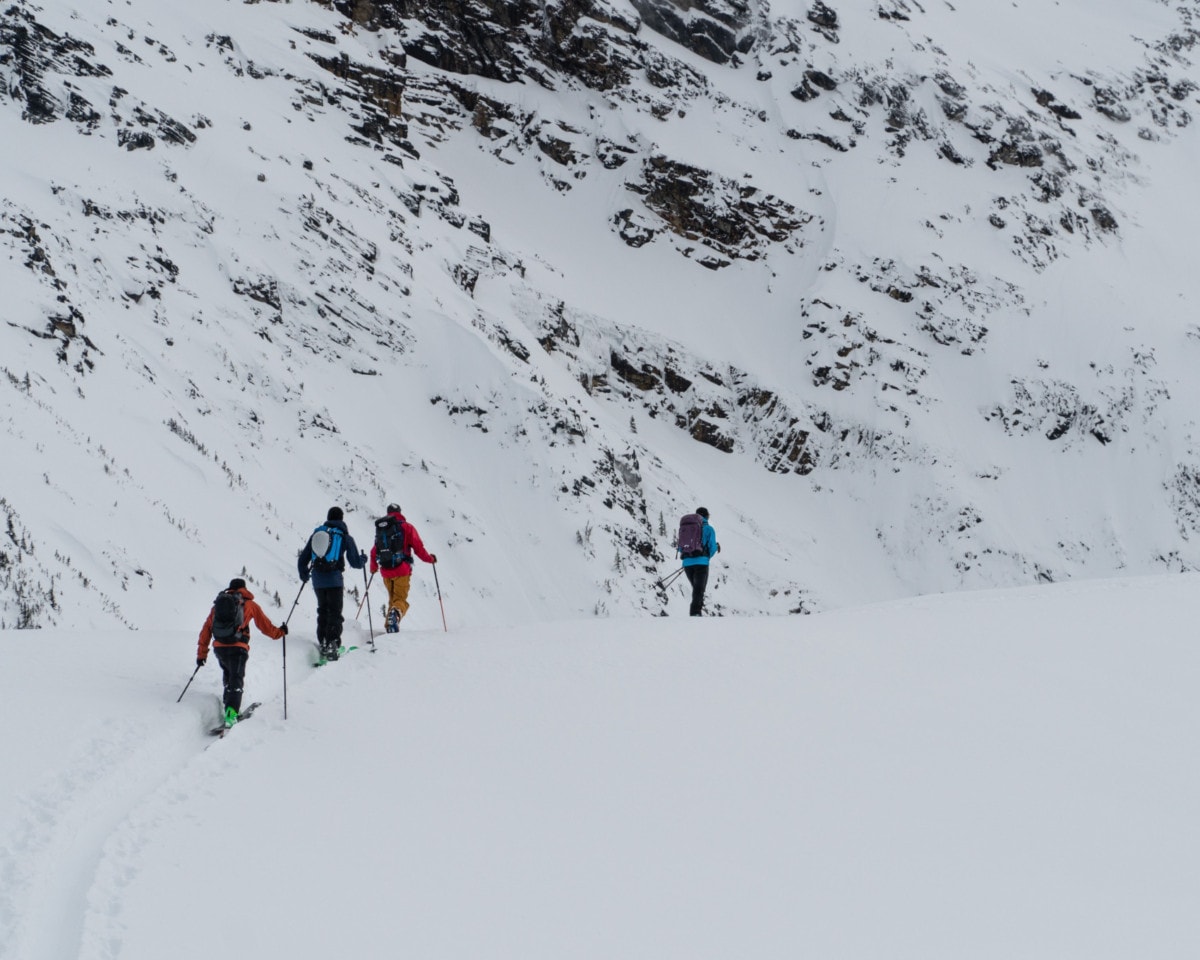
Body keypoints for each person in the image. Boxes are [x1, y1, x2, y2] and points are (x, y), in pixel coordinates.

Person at [197, 577, 287, 728]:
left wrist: (201, 655)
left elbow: (206, 630)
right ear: (244, 588)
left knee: (228, 676)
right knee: (236, 678)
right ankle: (231, 714)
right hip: (238, 647)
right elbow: (265, 626)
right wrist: (280, 633)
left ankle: (229, 708)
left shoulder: (217, 607)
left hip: (219, 648)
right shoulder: (249, 604)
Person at [297, 506, 367, 660]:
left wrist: (303, 574)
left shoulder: (317, 534)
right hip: (334, 579)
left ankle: (322, 642)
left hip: (317, 580)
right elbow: (355, 563)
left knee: (323, 610)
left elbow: (303, 558)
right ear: (342, 519)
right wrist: (363, 560)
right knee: (335, 612)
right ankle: (332, 644)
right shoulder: (344, 537)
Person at [369, 503, 437, 632]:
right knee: (400, 600)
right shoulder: (407, 527)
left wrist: (373, 567)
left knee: (392, 600)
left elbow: (374, 551)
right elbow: (418, 548)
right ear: (400, 512)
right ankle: (394, 617)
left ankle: (390, 627)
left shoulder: (382, 530)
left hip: (385, 571)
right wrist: (430, 559)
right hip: (402, 569)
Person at [678, 506, 720, 616]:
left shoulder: (687, 527)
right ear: (706, 516)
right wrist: (707, 555)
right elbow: (711, 547)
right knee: (699, 590)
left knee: (697, 589)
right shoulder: (708, 529)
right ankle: (695, 615)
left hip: (687, 563)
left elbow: (680, 547)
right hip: (701, 563)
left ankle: (697, 611)